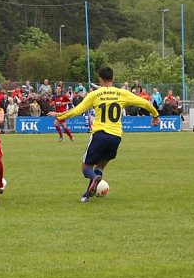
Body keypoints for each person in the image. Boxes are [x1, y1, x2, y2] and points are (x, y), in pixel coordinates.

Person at [50, 66, 159, 203]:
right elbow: (144, 103)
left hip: (100, 134)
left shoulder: (95, 94)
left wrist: (60, 116)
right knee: (100, 166)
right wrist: (155, 116)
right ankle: (86, 195)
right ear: (113, 79)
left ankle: (94, 179)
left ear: (99, 80)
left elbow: (77, 110)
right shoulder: (122, 93)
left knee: (86, 168)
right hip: (116, 137)